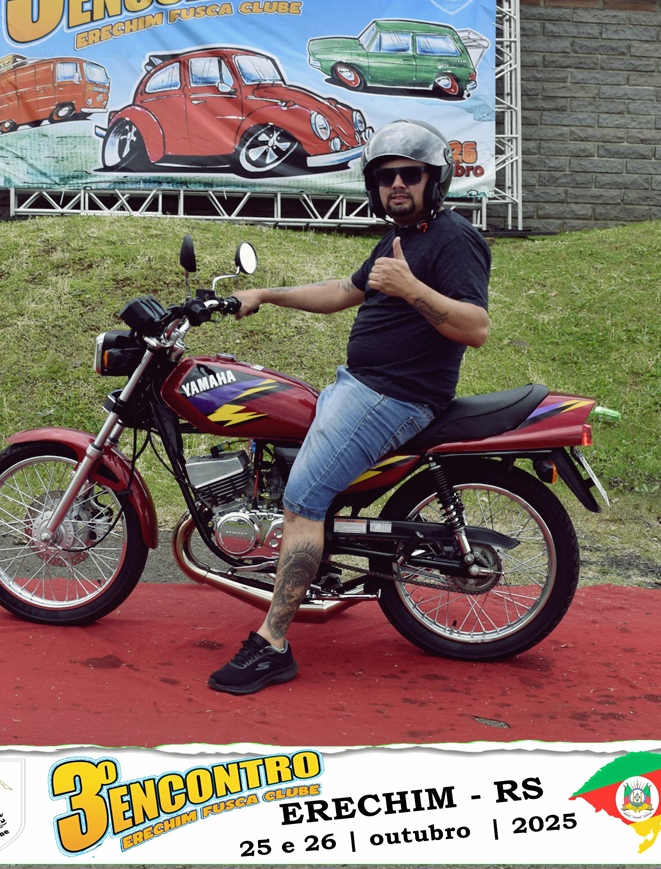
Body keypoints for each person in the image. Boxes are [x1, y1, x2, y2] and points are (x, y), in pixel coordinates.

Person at [208, 119, 492, 695]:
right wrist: (264, 294)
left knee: (302, 502)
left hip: (393, 396)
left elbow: (476, 328)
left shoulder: (453, 239)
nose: (396, 185)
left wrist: (412, 288)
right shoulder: (400, 238)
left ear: (434, 179)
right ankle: (318, 568)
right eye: (385, 177)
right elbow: (343, 291)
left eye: (409, 174)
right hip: (358, 385)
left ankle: (272, 643)